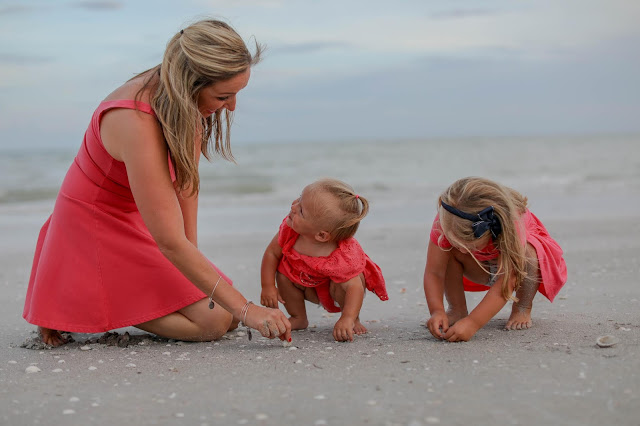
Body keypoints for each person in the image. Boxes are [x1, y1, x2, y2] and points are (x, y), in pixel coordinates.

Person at [23, 19, 291, 346]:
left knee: (227, 312)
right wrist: (249, 309)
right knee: (215, 319)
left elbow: (186, 186)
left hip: (135, 220)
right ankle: (79, 300)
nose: (232, 106)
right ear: (190, 82)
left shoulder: (180, 100)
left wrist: (194, 270)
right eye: (225, 96)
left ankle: (116, 300)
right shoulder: (133, 120)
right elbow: (169, 240)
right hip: (91, 229)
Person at [423, 177, 567, 342]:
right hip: (479, 265)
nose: (461, 249)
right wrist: (436, 311)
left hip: (516, 269)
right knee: (446, 253)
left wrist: (473, 323)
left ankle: (522, 307)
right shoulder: (448, 219)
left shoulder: (511, 223)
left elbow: (506, 282)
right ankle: (456, 309)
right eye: (457, 244)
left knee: (529, 254)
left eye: (467, 245)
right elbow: (434, 272)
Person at [260, 178, 388, 342]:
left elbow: (355, 288)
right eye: (299, 199)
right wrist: (268, 286)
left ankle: (352, 318)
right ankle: (298, 316)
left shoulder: (343, 257)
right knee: (283, 274)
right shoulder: (290, 230)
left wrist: (348, 317)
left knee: (351, 281)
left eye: (301, 211)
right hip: (305, 283)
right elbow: (272, 253)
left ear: (321, 235)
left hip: (332, 289)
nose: (293, 207)